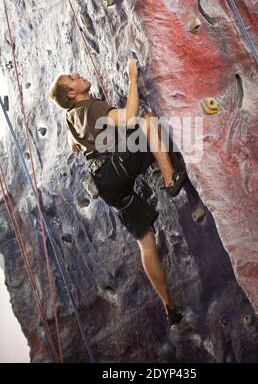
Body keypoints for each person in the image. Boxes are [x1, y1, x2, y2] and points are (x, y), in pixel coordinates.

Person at [49, 58, 187, 325]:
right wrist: (132, 78)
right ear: (72, 93)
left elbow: (73, 146)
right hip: (114, 166)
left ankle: (169, 306)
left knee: (145, 240)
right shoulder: (91, 106)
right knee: (147, 121)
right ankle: (170, 179)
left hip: (104, 183)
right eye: (71, 76)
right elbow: (128, 116)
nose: (76, 73)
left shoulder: (70, 116)